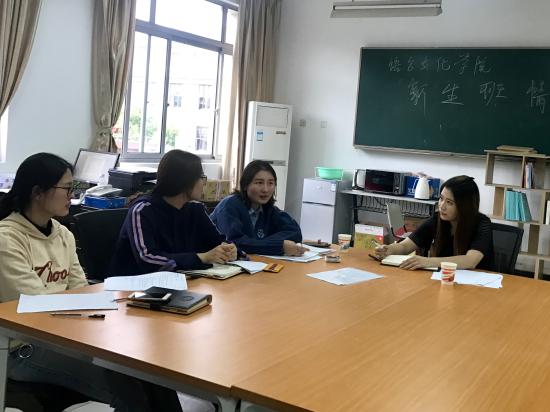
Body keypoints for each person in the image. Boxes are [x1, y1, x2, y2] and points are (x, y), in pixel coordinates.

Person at [0, 153, 183, 412]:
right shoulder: (7, 239)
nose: (71, 195)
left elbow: (80, 290)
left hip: (66, 336)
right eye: (67, 188)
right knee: (128, 383)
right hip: (22, 347)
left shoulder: (62, 234)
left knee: (151, 371)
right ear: (38, 192)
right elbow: (35, 306)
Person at [110, 149, 237, 276]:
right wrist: (201, 258)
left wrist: (230, 250)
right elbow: (147, 259)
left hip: (183, 279)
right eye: (201, 178)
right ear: (184, 181)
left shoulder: (196, 209)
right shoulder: (142, 210)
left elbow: (217, 241)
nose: (204, 184)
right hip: (136, 283)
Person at [374, 175, 494, 270]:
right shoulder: (437, 219)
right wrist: (388, 249)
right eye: (441, 198)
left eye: (449, 202)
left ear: (464, 207)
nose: (442, 206)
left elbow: (471, 261)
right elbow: (405, 246)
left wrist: (427, 261)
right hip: (443, 279)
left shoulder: (482, 223)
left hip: (477, 284)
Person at [210, 160, 306, 256]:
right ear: (245, 185)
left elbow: (295, 233)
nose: (265, 189)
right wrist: (278, 246)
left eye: (270, 183)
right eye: (259, 183)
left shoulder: (268, 209)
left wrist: (259, 244)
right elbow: (234, 243)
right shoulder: (230, 205)